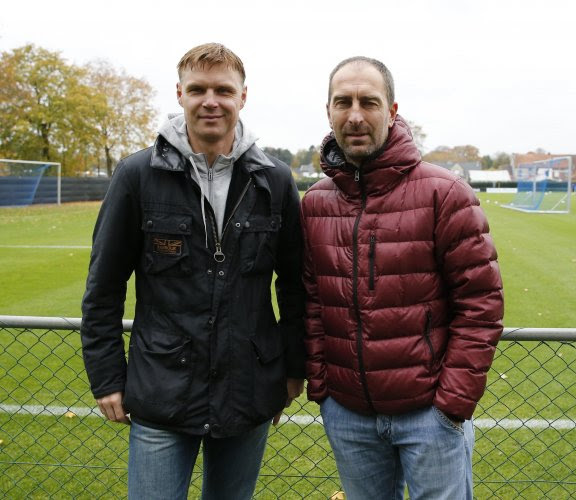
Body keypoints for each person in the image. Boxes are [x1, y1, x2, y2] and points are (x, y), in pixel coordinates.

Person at [81, 43, 305, 499]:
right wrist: (106, 377)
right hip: (162, 391)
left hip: (248, 391)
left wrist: (292, 366)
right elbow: (103, 286)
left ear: (243, 97)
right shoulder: (137, 175)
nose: (211, 101)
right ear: (179, 94)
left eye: (223, 89)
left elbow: (297, 286)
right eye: (198, 89)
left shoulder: (275, 181)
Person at [300, 56, 504, 499]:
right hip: (349, 415)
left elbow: (481, 305)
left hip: (429, 415)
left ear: (392, 111)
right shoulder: (314, 203)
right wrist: (324, 389)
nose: (355, 115)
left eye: (369, 102)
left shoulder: (444, 193)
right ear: (328, 110)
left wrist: (451, 403)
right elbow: (312, 302)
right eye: (343, 102)